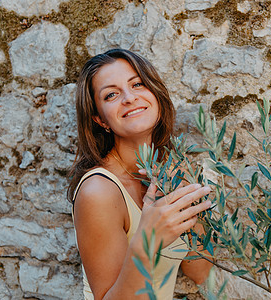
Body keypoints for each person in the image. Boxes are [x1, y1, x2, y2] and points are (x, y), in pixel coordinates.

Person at [67, 48, 213, 300]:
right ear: (100, 120)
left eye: (137, 84)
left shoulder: (174, 174)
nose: (129, 97)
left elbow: (199, 271)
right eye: (111, 94)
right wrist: (147, 241)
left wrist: (190, 198)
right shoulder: (99, 192)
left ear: (155, 94)